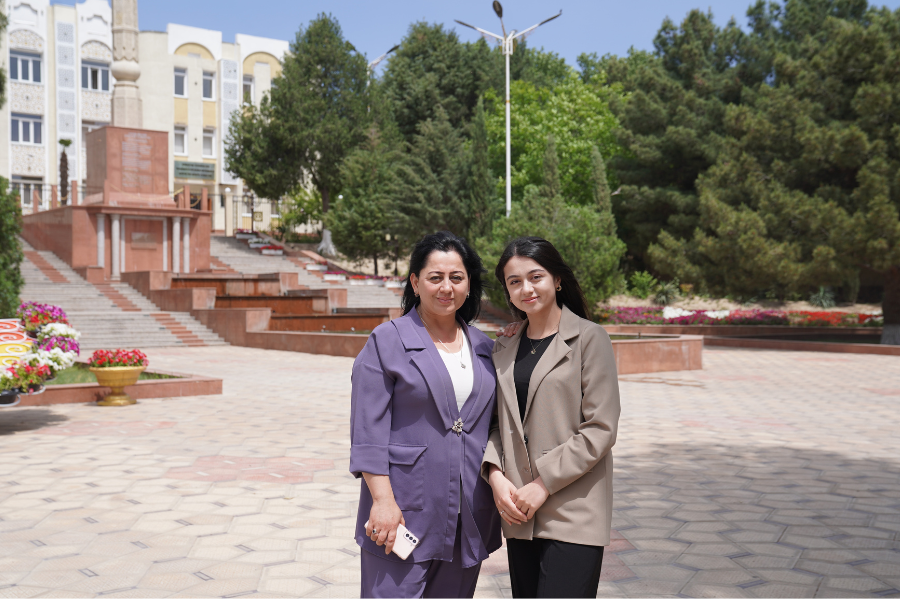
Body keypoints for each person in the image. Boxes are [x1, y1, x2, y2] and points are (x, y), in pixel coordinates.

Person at [350, 231, 502, 598]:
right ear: (416, 282)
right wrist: (383, 502)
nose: (446, 287)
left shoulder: (486, 347)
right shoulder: (386, 341)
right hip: (403, 513)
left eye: (456, 277)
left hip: (467, 513)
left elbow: (497, 424)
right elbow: (367, 431)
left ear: (469, 285)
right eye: (435, 277)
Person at [482, 236, 621, 598]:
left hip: (574, 510)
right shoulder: (504, 347)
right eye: (514, 282)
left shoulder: (591, 339)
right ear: (507, 291)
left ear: (557, 280)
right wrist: (496, 478)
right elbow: (498, 424)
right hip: (519, 511)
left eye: (536, 277)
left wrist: (542, 485)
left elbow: (601, 429)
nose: (526, 288)